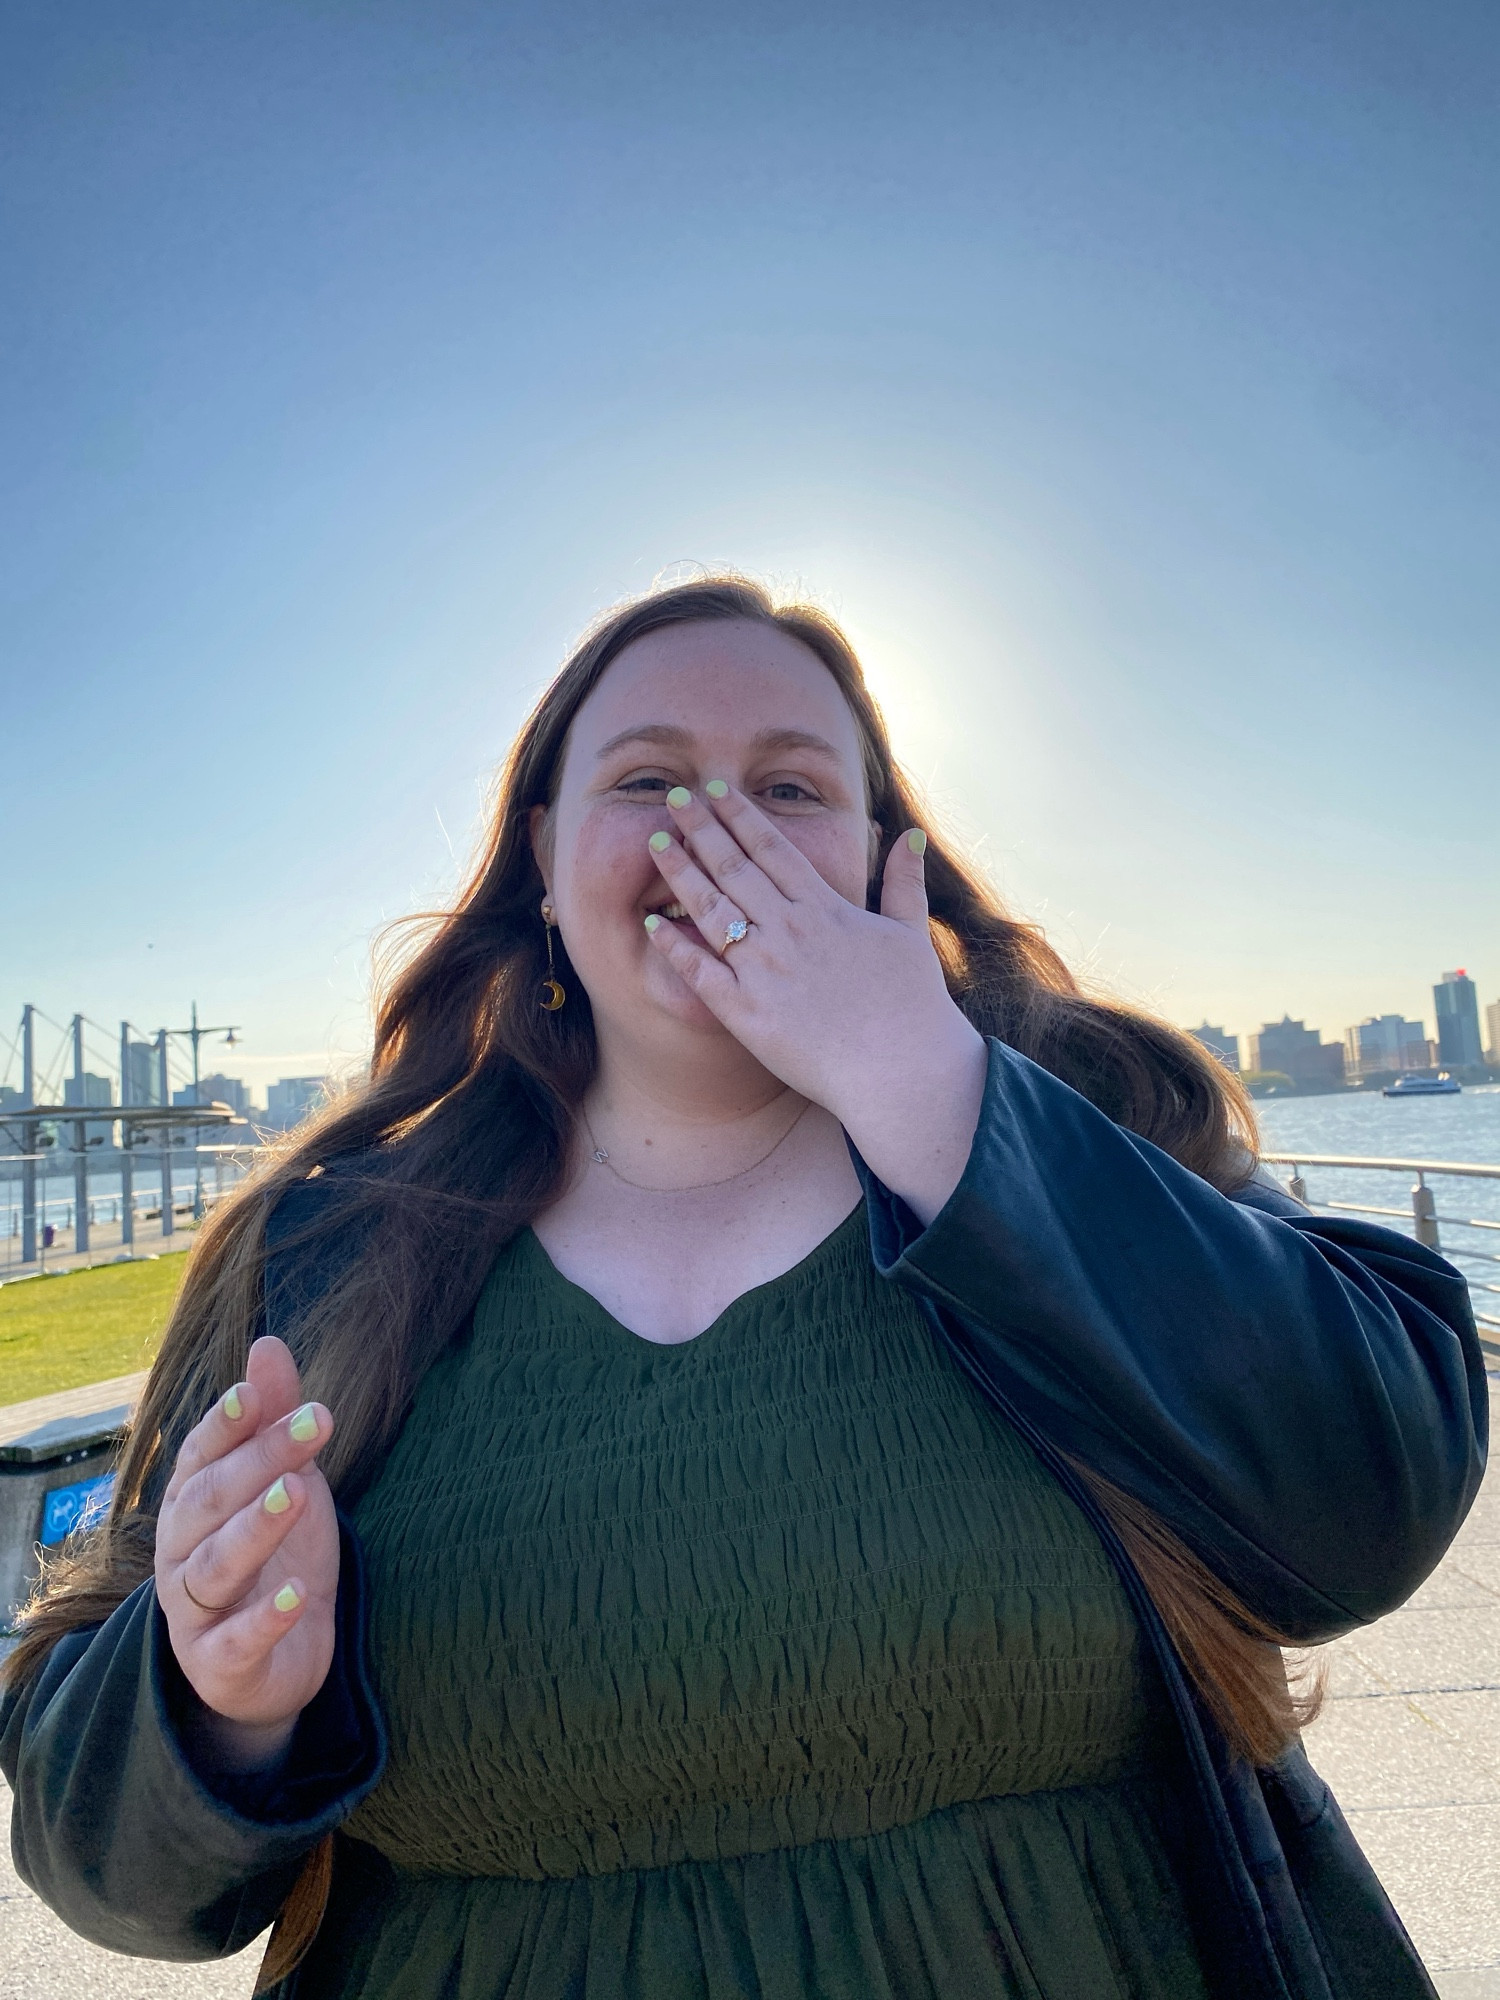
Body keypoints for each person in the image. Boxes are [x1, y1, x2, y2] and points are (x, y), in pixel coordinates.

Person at [2, 576, 1486, 2000]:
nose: (717, 828)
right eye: (648, 780)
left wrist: (929, 1090)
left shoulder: (1099, 1121)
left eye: (789, 790)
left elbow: (1376, 1495)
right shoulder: (323, 1254)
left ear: (878, 855)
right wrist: (214, 1704)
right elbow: (107, 1866)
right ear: (540, 852)